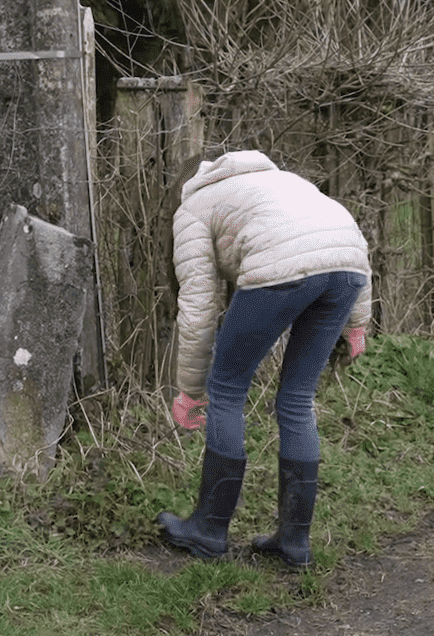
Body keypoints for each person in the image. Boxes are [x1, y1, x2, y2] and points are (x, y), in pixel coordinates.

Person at [156, 149, 373, 567]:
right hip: (348, 272)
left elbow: (199, 310)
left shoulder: (193, 205)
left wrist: (190, 391)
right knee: (295, 399)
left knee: (226, 390)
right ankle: (294, 543)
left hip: (282, 268)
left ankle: (209, 530)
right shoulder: (284, 182)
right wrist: (358, 323)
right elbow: (349, 244)